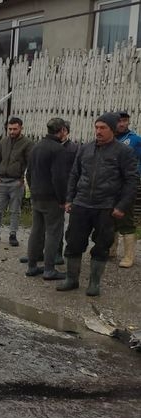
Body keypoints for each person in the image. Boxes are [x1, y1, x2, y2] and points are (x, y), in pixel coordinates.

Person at [58, 113, 139, 296]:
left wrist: (121, 206)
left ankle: (94, 283)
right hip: (81, 204)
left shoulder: (123, 152)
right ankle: (71, 279)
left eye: (103, 128)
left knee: (102, 246)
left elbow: (131, 181)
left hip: (106, 207)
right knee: (73, 243)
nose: (98, 131)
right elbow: (74, 175)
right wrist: (70, 199)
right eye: (97, 127)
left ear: (112, 129)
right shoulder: (84, 149)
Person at [24, 118, 71, 280]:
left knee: (36, 231)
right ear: (62, 130)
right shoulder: (58, 150)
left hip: (36, 195)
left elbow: (28, 173)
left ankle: (31, 266)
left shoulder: (36, 146)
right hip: (51, 197)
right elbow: (59, 178)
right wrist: (63, 199)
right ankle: (49, 269)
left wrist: (33, 189)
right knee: (53, 232)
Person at [0, 117, 33, 247]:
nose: (11, 131)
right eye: (9, 129)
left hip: (16, 182)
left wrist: (22, 179)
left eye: (15, 129)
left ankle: (13, 234)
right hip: (1, 181)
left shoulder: (27, 143)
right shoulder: (3, 141)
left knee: (15, 210)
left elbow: (30, 163)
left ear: (21, 128)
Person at [109, 111, 141, 268]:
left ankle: (128, 256)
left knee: (126, 218)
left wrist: (136, 175)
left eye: (125, 121)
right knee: (109, 217)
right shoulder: (110, 138)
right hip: (109, 185)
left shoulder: (135, 140)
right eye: (119, 121)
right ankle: (111, 250)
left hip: (126, 185)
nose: (122, 124)